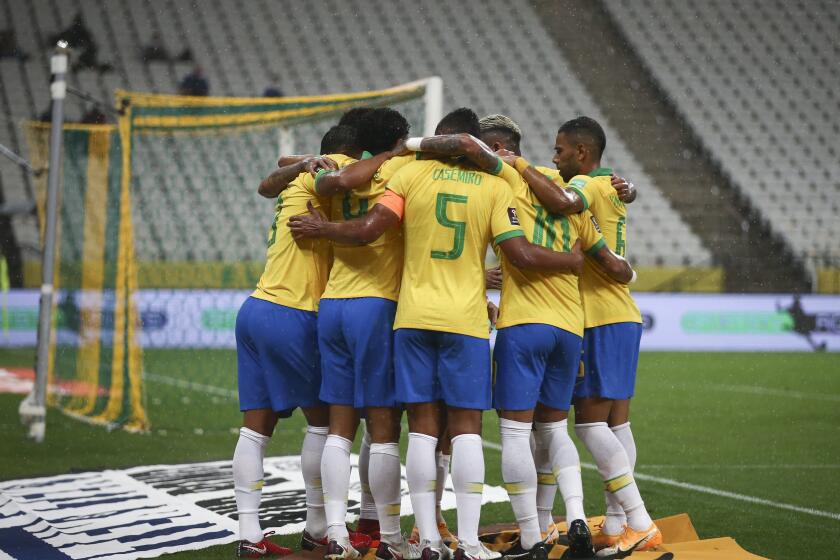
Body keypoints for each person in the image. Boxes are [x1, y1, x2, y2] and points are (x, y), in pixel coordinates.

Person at [288, 107, 586, 560]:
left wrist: (325, 222)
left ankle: (425, 540)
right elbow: (518, 253)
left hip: (410, 316)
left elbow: (374, 227)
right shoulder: (496, 184)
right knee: (466, 430)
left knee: (422, 431)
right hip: (463, 320)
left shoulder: (409, 177)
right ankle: (466, 542)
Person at [475, 115, 635, 560]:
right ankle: (578, 519)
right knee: (557, 428)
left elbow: (520, 254)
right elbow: (601, 249)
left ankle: (534, 537)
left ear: (499, 148)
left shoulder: (503, 185)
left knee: (515, 433)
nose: (555, 155)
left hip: (524, 323)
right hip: (569, 326)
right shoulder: (565, 188)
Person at [232, 125, 365, 559]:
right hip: (297, 311)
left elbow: (269, 177)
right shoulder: (335, 172)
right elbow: (346, 178)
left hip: (256, 307)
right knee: (328, 422)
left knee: (256, 428)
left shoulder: (299, 175)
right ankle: (317, 527)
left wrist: (302, 161)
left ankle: (250, 536)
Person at [551, 117, 660, 556]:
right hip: (619, 313)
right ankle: (617, 524)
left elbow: (560, 201)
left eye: (559, 150)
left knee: (592, 423)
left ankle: (639, 521)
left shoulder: (587, 186)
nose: (554, 158)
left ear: (581, 152)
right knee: (617, 422)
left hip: (598, 316)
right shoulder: (609, 187)